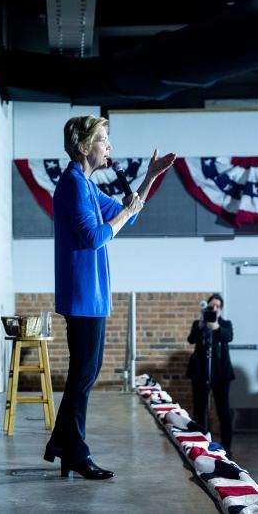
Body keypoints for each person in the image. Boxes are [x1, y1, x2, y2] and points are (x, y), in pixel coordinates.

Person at [43, 115, 175, 479]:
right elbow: (94, 237)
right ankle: (75, 450)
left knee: (85, 373)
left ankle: (63, 446)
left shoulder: (85, 184)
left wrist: (149, 178)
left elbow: (124, 217)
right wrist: (127, 213)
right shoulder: (72, 184)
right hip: (81, 293)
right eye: (103, 139)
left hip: (94, 292)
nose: (109, 146)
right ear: (84, 146)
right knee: (84, 375)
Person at [186, 293, 235, 453]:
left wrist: (217, 328)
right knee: (199, 409)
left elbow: (228, 336)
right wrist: (201, 325)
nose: (214, 309)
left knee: (223, 410)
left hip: (221, 373)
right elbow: (191, 339)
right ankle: (199, 444)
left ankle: (227, 446)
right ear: (207, 307)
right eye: (211, 306)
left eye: (217, 306)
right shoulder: (198, 323)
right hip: (201, 372)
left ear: (221, 309)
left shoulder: (225, 324)